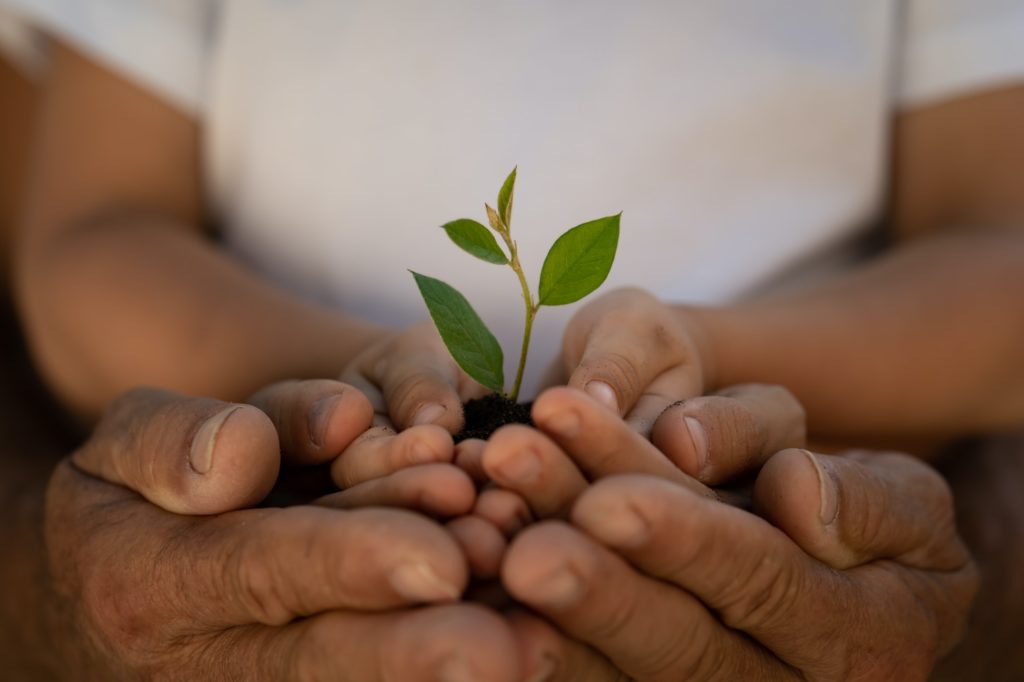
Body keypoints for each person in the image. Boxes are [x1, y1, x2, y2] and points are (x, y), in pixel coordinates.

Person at [1, 1, 1023, 678]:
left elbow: (996, 272)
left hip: (731, 496)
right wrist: (341, 383)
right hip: (329, 488)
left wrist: (709, 363)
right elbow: (99, 234)